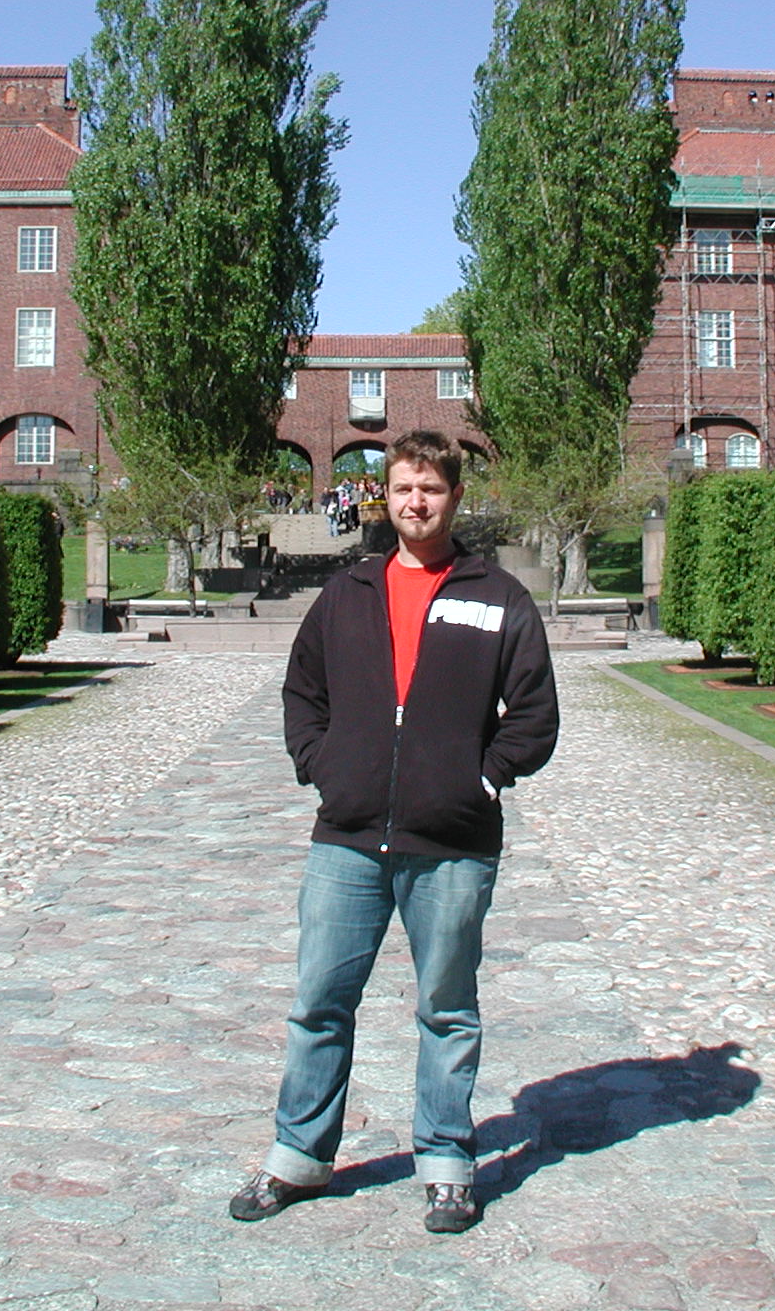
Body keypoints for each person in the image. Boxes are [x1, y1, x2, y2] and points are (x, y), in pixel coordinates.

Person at [229, 430, 559, 1234]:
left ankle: (446, 1163)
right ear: (387, 496)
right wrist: (325, 766)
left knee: (447, 1008)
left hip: (452, 842)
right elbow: (302, 692)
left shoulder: (497, 597)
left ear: (455, 497)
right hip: (346, 837)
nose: (417, 503)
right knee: (319, 1001)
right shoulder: (349, 592)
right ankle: (298, 1156)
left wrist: (480, 779)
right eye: (405, 488)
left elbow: (536, 717)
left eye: (432, 489)